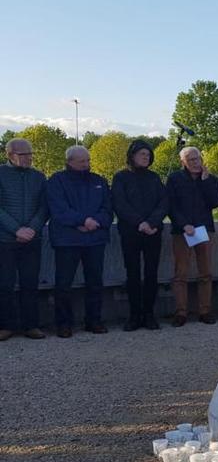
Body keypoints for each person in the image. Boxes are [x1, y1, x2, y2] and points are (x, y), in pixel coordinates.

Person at [46, 145, 112, 338]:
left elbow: (108, 208)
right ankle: (64, 324)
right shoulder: (57, 181)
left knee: (95, 282)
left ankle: (94, 320)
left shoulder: (99, 181)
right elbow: (58, 209)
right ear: (69, 162)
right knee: (64, 284)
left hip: (95, 239)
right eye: (82, 161)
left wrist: (96, 222)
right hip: (67, 240)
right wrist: (82, 221)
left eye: (88, 160)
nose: (86, 164)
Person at [111, 140, 167, 331]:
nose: (146, 157)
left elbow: (163, 202)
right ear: (132, 156)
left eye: (148, 154)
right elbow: (120, 204)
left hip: (153, 232)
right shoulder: (121, 177)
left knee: (151, 274)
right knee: (132, 274)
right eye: (142, 154)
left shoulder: (154, 178)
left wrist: (151, 223)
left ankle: (149, 315)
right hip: (130, 232)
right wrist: (140, 223)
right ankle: (134, 315)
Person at [166, 146, 218, 327]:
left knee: (205, 272)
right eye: (191, 160)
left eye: (198, 159)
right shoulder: (175, 179)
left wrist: (205, 181)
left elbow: (215, 202)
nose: (196, 163)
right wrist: (184, 225)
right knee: (180, 273)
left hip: (203, 230)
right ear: (183, 162)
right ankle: (181, 312)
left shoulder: (210, 179)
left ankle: (205, 310)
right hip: (182, 232)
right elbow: (171, 205)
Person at [0, 139, 49, 341]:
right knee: (4, 284)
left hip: (32, 239)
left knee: (30, 283)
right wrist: (16, 229)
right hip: (5, 240)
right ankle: (6, 326)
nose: (29, 157)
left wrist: (32, 228)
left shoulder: (38, 177)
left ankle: (31, 325)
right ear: (10, 155)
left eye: (30, 154)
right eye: (24, 154)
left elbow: (44, 207)